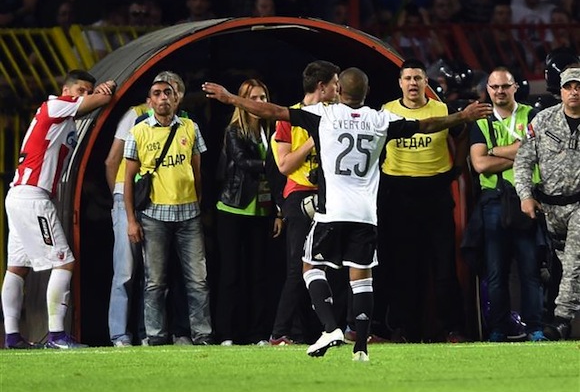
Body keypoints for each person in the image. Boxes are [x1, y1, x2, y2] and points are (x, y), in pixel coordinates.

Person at [202, 68, 492, 361]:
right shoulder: (381, 119)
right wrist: (462, 116)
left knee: (309, 267)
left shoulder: (323, 115)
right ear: (367, 93)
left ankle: (330, 327)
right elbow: (427, 125)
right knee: (361, 276)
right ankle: (361, 346)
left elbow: (273, 111)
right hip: (365, 213)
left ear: (339, 90)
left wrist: (231, 99)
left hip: (332, 210)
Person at [2, 70, 116, 349]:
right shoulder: (55, 105)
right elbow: (100, 101)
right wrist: (107, 88)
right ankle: (57, 336)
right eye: (80, 90)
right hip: (33, 196)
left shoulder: (66, 121)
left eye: (88, 91)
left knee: (17, 268)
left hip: (20, 195)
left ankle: (12, 337)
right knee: (64, 262)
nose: (84, 96)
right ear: (66, 90)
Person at [377, 58, 470, 343]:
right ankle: (405, 329)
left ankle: (452, 328)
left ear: (426, 82)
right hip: (398, 194)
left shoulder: (442, 109)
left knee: (444, 266)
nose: (413, 83)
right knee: (404, 266)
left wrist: (457, 168)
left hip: (435, 193)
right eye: (408, 78)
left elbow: (463, 134)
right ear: (400, 83)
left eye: (418, 78)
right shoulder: (386, 111)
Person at [124, 76, 212, 346]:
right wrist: (131, 220)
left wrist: (198, 204)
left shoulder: (190, 127)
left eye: (167, 92)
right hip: (154, 215)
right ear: (150, 101)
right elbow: (128, 179)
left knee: (198, 280)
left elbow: (197, 171)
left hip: (188, 213)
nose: (163, 97)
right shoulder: (138, 131)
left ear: (176, 98)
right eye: (157, 93)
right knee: (155, 281)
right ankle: (155, 335)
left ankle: (202, 334)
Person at [469, 66, 546, 342]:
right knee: (496, 271)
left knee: (530, 270)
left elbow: (538, 152)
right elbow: (480, 164)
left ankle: (535, 328)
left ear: (515, 87)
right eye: (494, 87)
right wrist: (519, 151)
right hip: (493, 201)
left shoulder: (532, 115)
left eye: (505, 86)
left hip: (526, 199)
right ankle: (499, 330)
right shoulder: (481, 121)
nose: (499, 91)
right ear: (487, 90)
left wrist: (494, 150)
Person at [268, 60, 341, 346]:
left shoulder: (337, 116)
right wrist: (313, 139)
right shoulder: (289, 117)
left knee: (335, 266)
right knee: (298, 268)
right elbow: (285, 165)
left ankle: (333, 328)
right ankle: (279, 333)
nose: (338, 89)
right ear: (322, 87)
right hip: (299, 196)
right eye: (335, 84)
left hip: (331, 194)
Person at [215, 79, 284, 346]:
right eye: (253, 98)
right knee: (231, 274)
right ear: (242, 102)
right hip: (233, 209)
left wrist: (278, 212)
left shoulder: (272, 130)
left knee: (259, 275)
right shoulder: (234, 130)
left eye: (263, 97)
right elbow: (244, 162)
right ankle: (227, 334)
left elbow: (277, 180)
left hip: (262, 212)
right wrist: (278, 164)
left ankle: (258, 334)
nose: (259, 103)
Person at [514, 65, 580, 341]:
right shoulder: (542, 120)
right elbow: (523, 161)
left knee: (574, 260)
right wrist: (525, 195)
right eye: (569, 87)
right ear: (560, 91)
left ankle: (561, 319)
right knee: (561, 266)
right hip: (550, 208)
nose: (574, 92)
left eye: (579, 87)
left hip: (578, 205)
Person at [105, 100, 150, 347]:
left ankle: (147, 332)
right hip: (128, 197)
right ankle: (119, 334)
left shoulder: (178, 121)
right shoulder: (136, 114)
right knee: (125, 270)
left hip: (155, 199)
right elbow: (112, 160)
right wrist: (120, 197)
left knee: (152, 273)